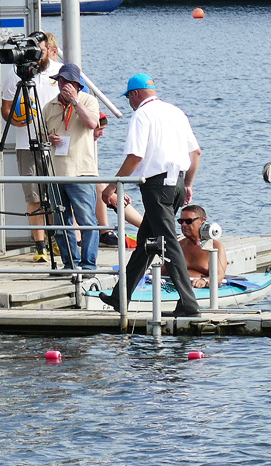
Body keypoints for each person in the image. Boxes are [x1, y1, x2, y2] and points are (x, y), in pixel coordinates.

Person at [99, 74, 202, 317]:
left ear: (135, 94)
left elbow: (135, 156)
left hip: (157, 187)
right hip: (176, 183)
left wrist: (112, 187)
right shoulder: (176, 112)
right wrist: (188, 184)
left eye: (128, 98)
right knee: (146, 244)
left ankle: (189, 303)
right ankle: (120, 297)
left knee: (168, 245)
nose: (129, 104)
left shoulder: (142, 115)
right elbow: (195, 152)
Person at [0, 30, 59, 262]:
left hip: (55, 144)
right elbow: (6, 109)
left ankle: (57, 240)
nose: (37, 57)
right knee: (33, 196)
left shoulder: (58, 70)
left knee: (56, 196)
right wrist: (15, 120)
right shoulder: (15, 74)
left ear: (47, 49)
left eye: (41, 51)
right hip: (26, 144)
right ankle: (40, 246)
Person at [43, 63, 102, 271]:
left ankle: (88, 264)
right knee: (61, 221)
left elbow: (92, 124)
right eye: (61, 81)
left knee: (87, 219)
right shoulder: (49, 106)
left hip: (82, 171)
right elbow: (41, 135)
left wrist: (76, 102)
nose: (64, 86)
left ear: (77, 85)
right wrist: (48, 138)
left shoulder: (89, 101)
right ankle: (70, 263)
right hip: (56, 172)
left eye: (69, 82)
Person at [177, 204, 228, 290]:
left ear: (202, 220)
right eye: (181, 221)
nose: (184, 225)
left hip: (201, 288)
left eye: (189, 221)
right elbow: (163, 270)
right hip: (178, 286)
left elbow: (219, 276)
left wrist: (204, 281)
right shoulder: (179, 245)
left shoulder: (215, 247)